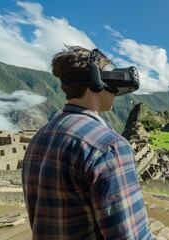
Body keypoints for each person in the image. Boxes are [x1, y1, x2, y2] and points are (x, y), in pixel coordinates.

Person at [22, 46, 152, 239]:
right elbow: (131, 236)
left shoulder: (40, 137)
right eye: (112, 73)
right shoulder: (109, 147)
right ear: (97, 79)